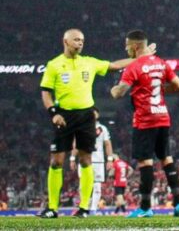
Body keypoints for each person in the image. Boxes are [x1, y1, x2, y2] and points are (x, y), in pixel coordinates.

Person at [37, 29, 144, 219]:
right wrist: (53, 113)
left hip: (86, 116)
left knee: (86, 160)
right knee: (56, 161)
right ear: (66, 41)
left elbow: (114, 65)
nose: (80, 43)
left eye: (82, 40)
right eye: (76, 40)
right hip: (63, 116)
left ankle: (84, 208)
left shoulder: (89, 62)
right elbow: (46, 92)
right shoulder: (54, 65)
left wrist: (140, 58)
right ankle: (52, 208)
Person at [110, 30, 179, 218]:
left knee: (146, 162)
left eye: (127, 45)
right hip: (163, 117)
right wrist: (159, 89)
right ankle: (178, 205)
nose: (126, 48)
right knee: (166, 159)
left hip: (145, 120)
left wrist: (113, 90)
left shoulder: (134, 67)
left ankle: (145, 207)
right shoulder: (161, 63)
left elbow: (119, 92)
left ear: (135, 46)